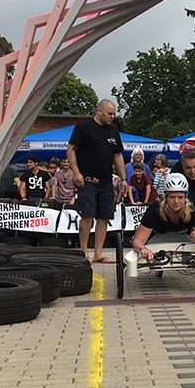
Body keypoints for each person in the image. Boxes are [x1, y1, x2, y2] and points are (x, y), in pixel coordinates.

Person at [67, 99, 127, 264]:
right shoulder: (83, 127)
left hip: (106, 182)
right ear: (99, 111)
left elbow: (118, 156)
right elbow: (71, 150)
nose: (112, 117)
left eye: (114, 114)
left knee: (104, 217)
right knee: (87, 216)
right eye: (109, 113)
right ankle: (83, 251)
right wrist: (77, 173)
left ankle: (98, 253)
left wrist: (123, 179)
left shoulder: (113, 131)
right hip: (87, 181)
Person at [131, 174, 195, 263]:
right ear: (165, 197)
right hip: (156, 239)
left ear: (186, 197)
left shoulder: (193, 209)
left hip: (183, 238)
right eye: (172, 197)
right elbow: (138, 240)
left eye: (180, 197)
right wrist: (143, 249)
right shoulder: (155, 208)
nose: (176, 201)